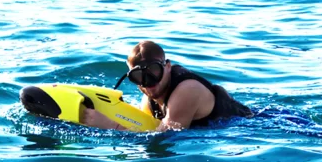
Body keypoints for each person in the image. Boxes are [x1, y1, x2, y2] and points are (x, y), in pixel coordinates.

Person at [82, 41, 253, 131]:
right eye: (139, 77)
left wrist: (110, 126)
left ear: (168, 66)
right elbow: (146, 126)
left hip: (249, 127)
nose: (148, 84)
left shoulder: (187, 91)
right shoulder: (149, 98)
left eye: (154, 72)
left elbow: (163, 137)